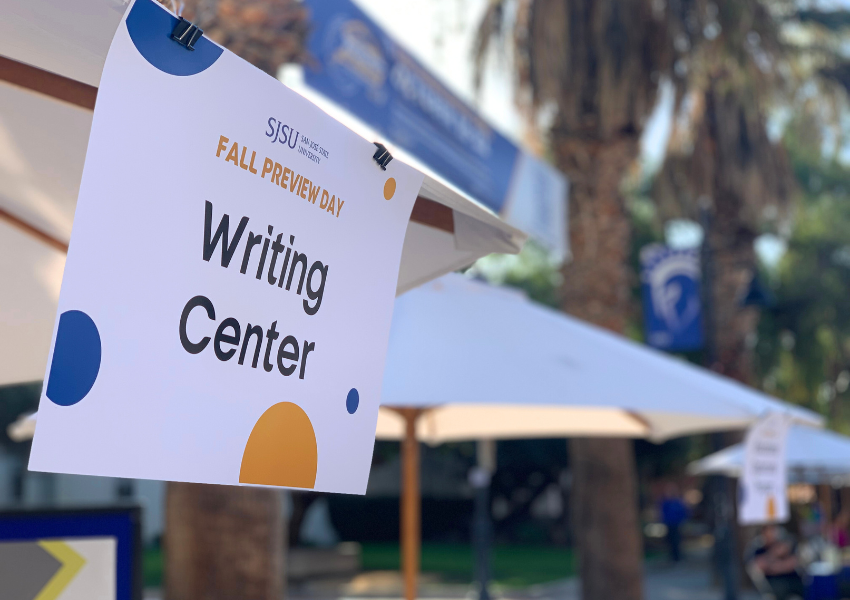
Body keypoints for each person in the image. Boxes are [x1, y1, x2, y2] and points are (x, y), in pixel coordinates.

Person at [748, 525, 806, 600]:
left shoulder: (786, 544)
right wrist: (774, 554)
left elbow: (794, 562)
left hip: (793, 583)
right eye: (768, 531)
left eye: (773, 530)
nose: (772, 533)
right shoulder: (758, 549)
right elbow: (759, 565)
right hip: (775, 585)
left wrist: (777, 566)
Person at [659, 483, 689, 563]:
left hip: (677, 524)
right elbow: (662, 513)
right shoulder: (666, 502)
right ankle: (672, 556)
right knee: (670, 541)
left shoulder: (678, 502)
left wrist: (683, 521)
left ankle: (677, 557)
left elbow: (684, 512)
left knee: (677, 541)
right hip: (669, 524)